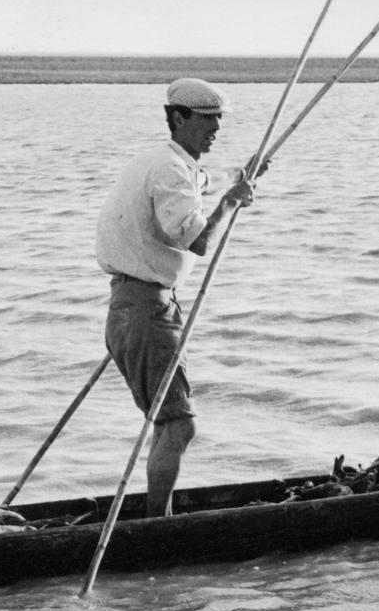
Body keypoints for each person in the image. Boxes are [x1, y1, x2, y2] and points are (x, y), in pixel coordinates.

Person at [95, 77, 261, 517]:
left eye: (219, 120)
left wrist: (238, 176)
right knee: (180, 424)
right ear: (179, 117)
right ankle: (158, 528)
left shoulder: (163, 160)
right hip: (144, 309)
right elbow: (197, 241)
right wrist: (231, 202)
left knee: (167, 422)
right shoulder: (169, 169)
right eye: (208, 120)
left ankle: (159, 518)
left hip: (136, 305)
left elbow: (198, 181)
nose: (217, 129)